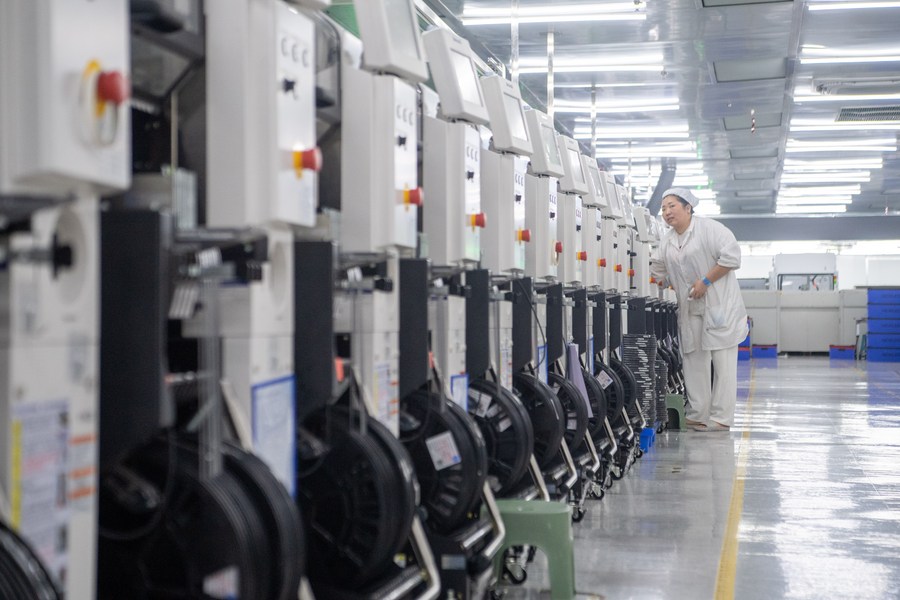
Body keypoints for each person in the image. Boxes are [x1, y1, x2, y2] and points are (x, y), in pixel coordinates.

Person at [649, 188, 748, 432]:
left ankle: (721, 418)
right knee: (693, 358)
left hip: (718, 304)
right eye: (663, 209)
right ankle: (698, 413)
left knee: (722, 361)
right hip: (690, 305)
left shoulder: (710, 229)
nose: (667, 212)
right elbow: (658, 270)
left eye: (672, 206)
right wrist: (661, 280)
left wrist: (705, 281)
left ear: (688, 207)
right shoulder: (668, 239)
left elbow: (732, 257)